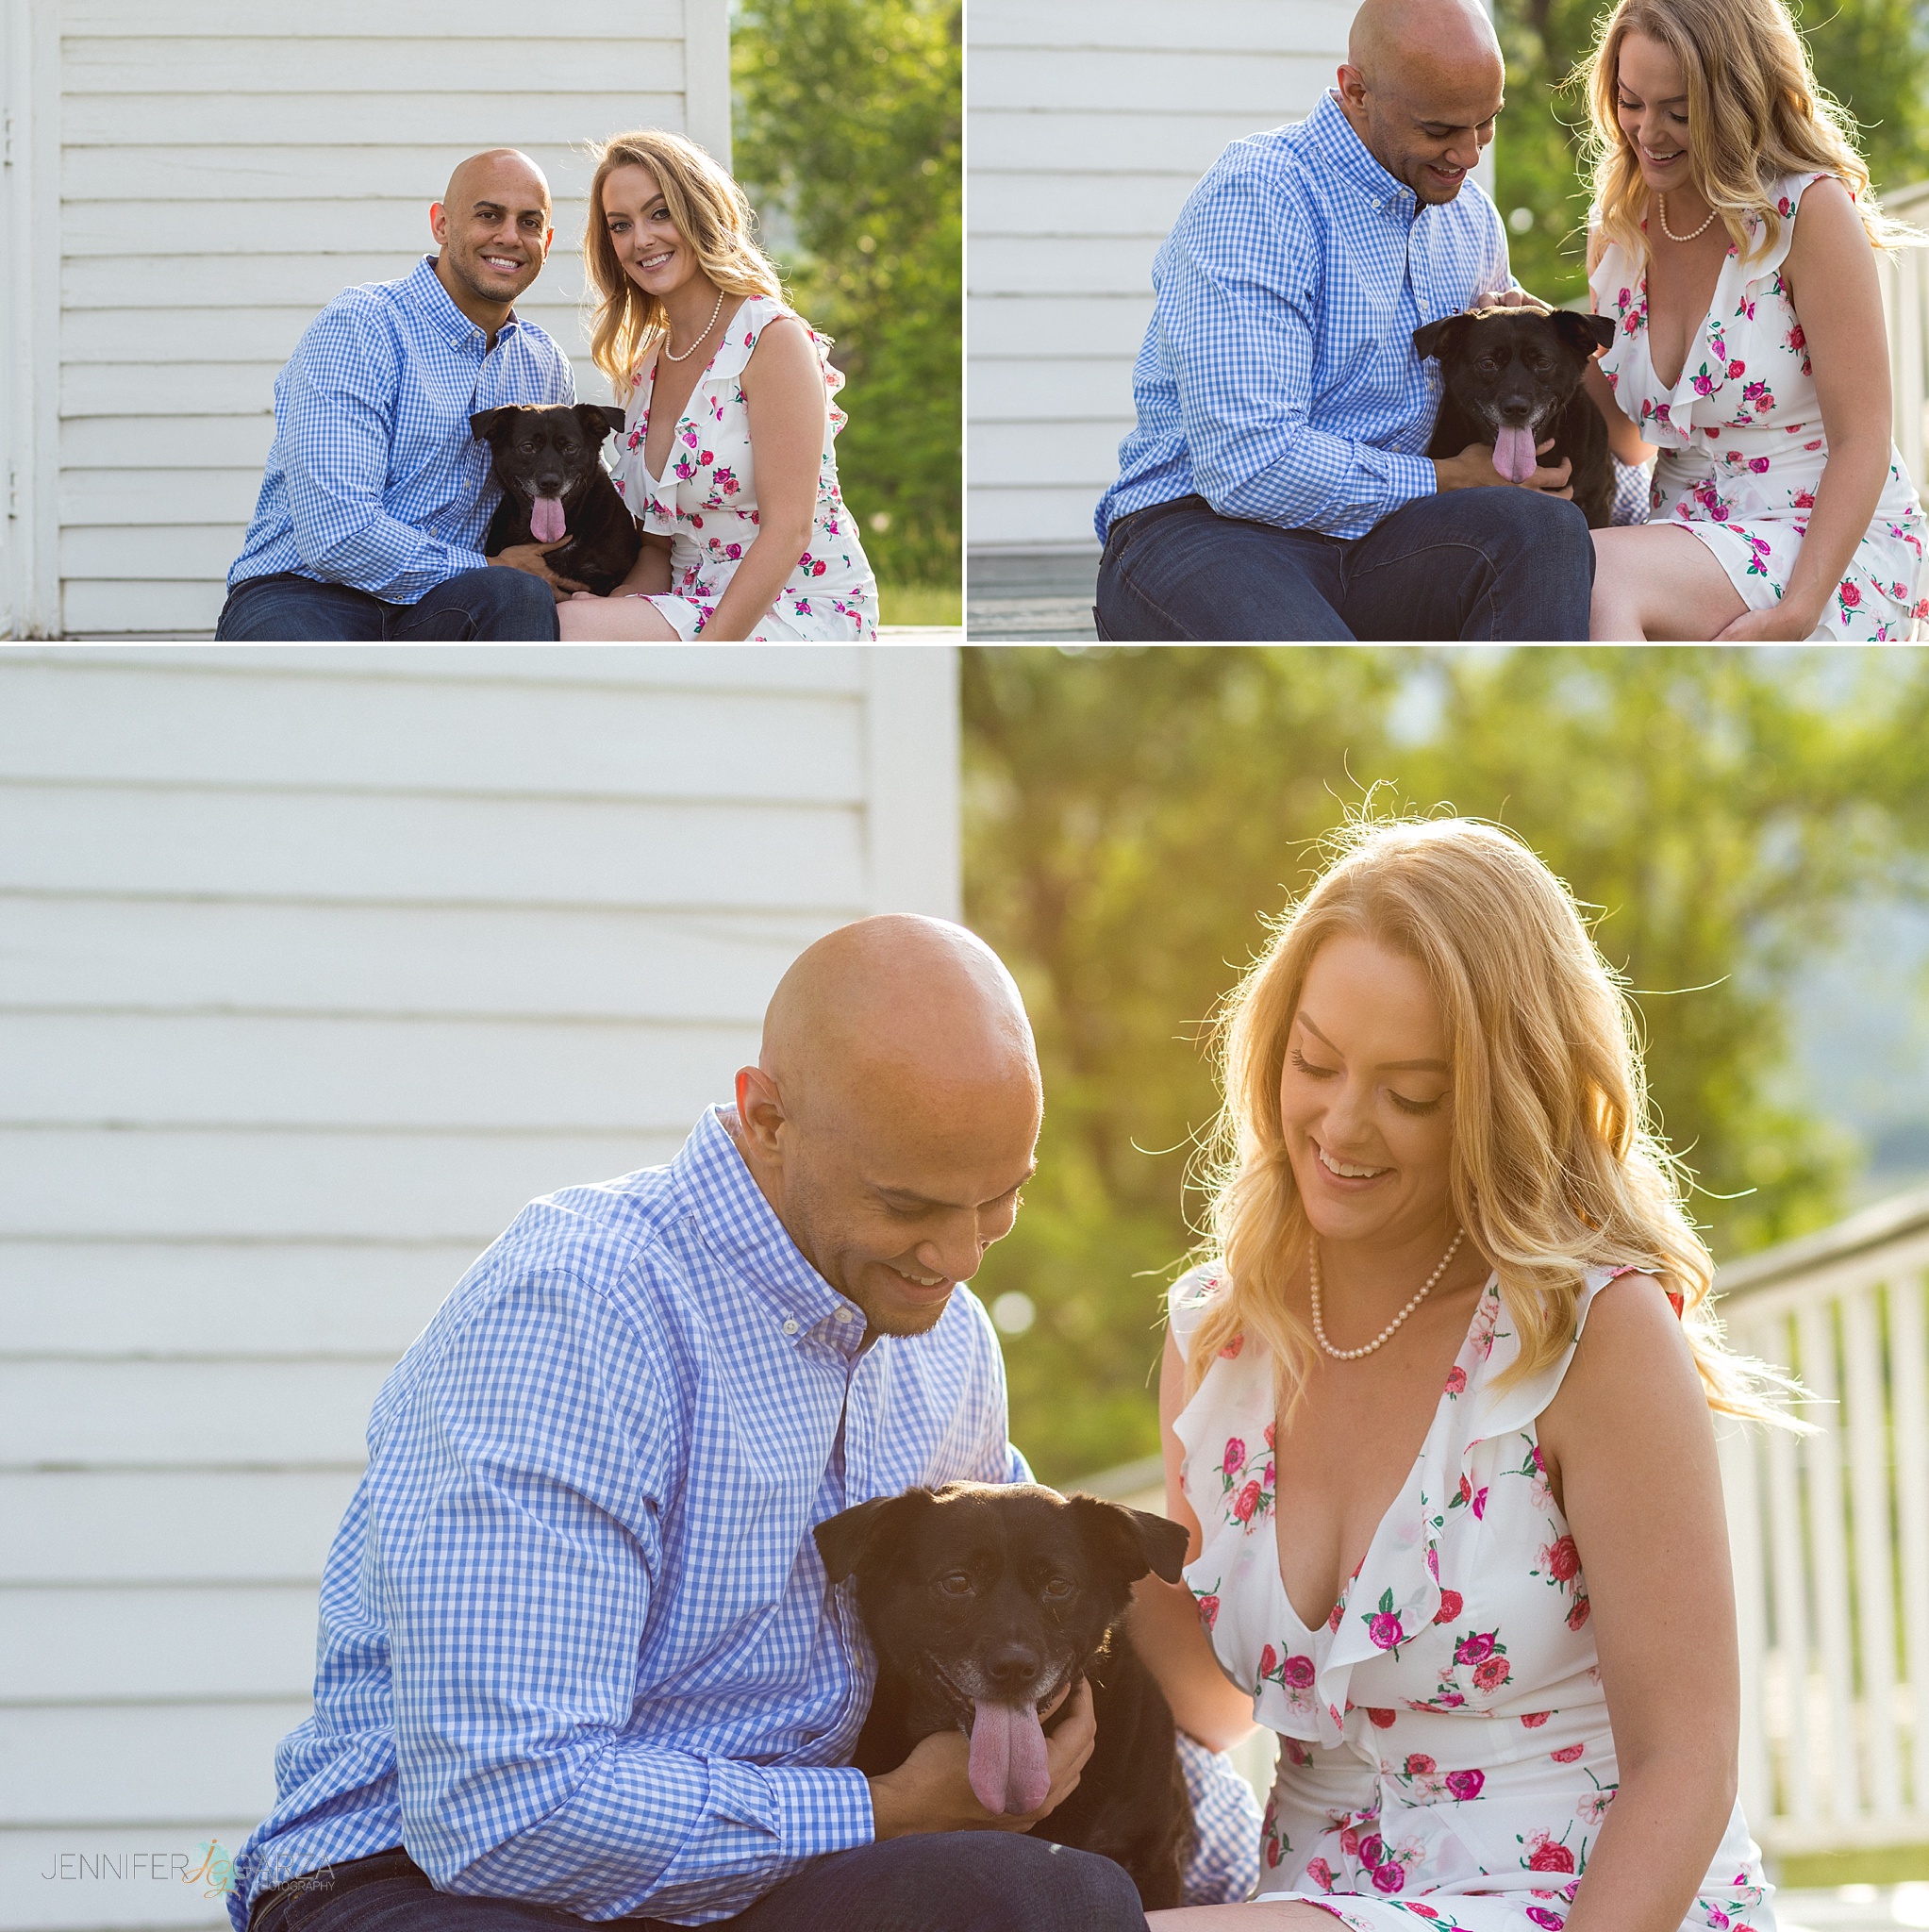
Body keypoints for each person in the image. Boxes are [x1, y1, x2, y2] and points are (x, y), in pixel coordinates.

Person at [227, 915, 1258, 1932]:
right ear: (766, 1118)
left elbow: (1065, 1632)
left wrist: (1267, 1870)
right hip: (432, 1888)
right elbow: (500, 1808)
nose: (957, 1256)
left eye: (998, 1200)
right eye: (909, 1204)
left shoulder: (945, 1344)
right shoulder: (576, 1312)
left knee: (1043, 1896)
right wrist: (885, 1808)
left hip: (763, 1888)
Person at [1122, 817, 1790, 1932]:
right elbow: (1209, 1700)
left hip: (1579, 1901)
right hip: (1305, 1896)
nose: (1339, 1124)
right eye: (1313, 1062)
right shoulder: (1218, 1333)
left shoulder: (1590, 1330)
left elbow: (1687, 1762)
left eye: (1411, 1092)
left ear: (1502, 1093)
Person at [1091, 0, 1596, 643]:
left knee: (1543, 530)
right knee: (1310, 666)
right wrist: (1448, 477)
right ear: (1355, 92)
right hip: (1205, 528)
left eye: (1486, 124)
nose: (1468, 155)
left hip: (1387, 534)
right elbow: (1247, 465)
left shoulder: (1468, 218)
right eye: (1440, 128)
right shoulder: (1261, 196)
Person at [1581, 0, 1928, 640]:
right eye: (1630, 103)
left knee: (1596, 573)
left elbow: (1864, 441)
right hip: (1686, 528)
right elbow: (1632, 441)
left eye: (1679, 113)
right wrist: (1551, 349)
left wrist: (1793, 613)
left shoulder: (1808, 212)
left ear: (1736, 101)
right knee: (1551, 565)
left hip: (1822, 542)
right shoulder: (1617, 230)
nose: (1647, 132)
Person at [217, 150, 580, 642]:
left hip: (445, 602)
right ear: (442, 225)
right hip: (306, 593)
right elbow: (335, 531)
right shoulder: (364, 325)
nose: (510, 237)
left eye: (529, 222)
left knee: (518, 594)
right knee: (307, 672)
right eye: (489, 215)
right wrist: (488, 563)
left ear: (547, 241)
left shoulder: (543, 366)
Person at [556, 130, 878, 642]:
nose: (641, 239)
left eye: (659, 213)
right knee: (565, 615)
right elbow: (658, 549)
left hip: (797, 604)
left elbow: (789, 530)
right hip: (689, 599)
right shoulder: (646, 369)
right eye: (621, 225)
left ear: (700, 213)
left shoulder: (772, 340)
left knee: (570, 627)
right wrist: (614, 608)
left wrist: (705, 659)